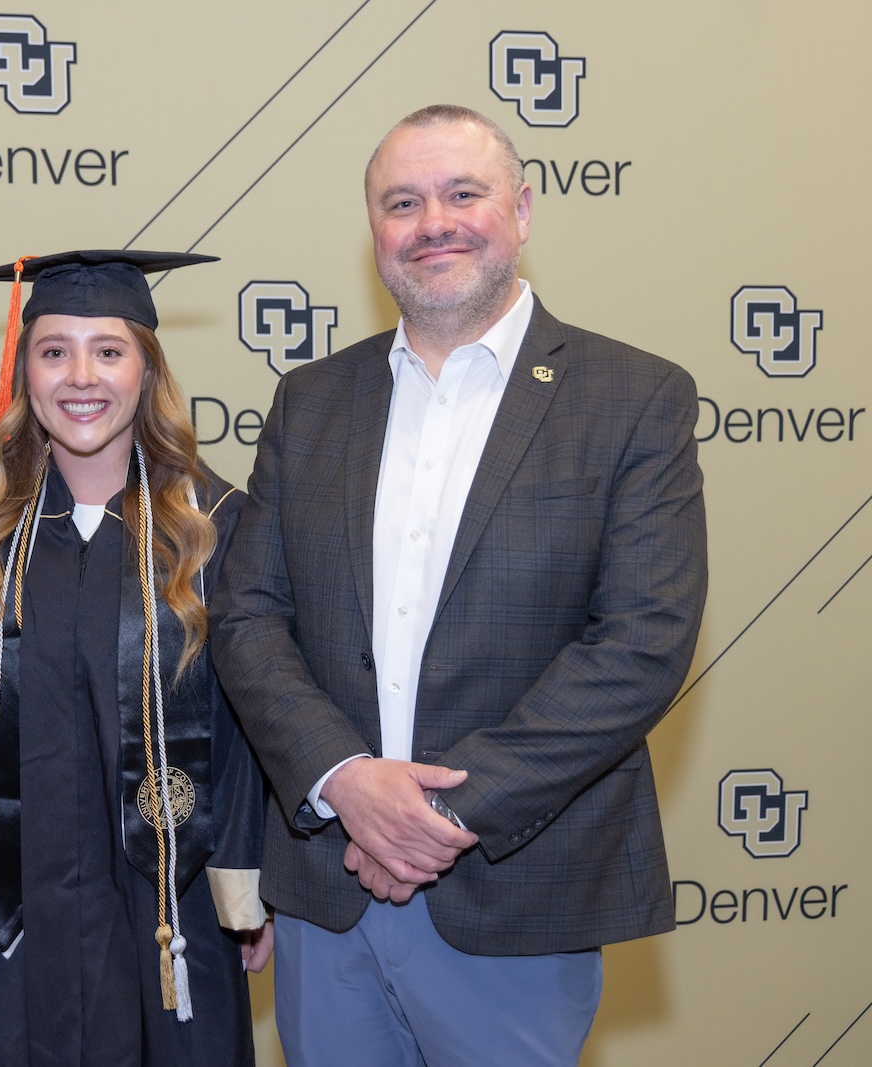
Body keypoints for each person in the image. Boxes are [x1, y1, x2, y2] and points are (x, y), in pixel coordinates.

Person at [211, 105, 708, 1065]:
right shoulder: (309, 401)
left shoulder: (635, 397)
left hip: (512, 888)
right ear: (375, 233)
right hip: (328, 883)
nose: (433, 221)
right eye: (403, 202)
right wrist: (345, 780)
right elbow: (249, 616)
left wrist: (437, 814)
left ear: (520, 210)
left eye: (462, 193)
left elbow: (641, 643)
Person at [0, 250, 274, 1067]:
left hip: (172, 894)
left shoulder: (216, 528)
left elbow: (255, 725)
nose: (80, 376)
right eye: (53, 349)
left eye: (109, 349)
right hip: (18, 902)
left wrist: (247, 879)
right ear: (24, 372)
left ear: (147, 369)